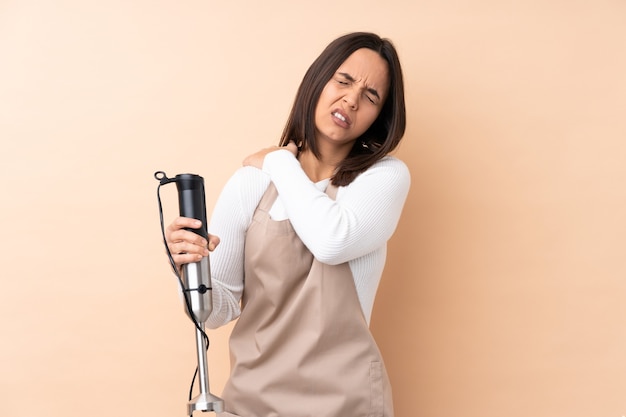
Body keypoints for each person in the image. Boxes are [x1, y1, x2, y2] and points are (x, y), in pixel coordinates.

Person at [165, 32, 410, 417]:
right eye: (343, 81)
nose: (351, 99)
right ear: (318, 81)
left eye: (371, 96)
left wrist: (281, 162)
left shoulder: (384, 179)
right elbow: (215, 312)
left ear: (380, 118)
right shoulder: (251, 182)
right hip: (252, 403)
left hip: (346, 404)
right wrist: (188, 267)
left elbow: (332, 240)